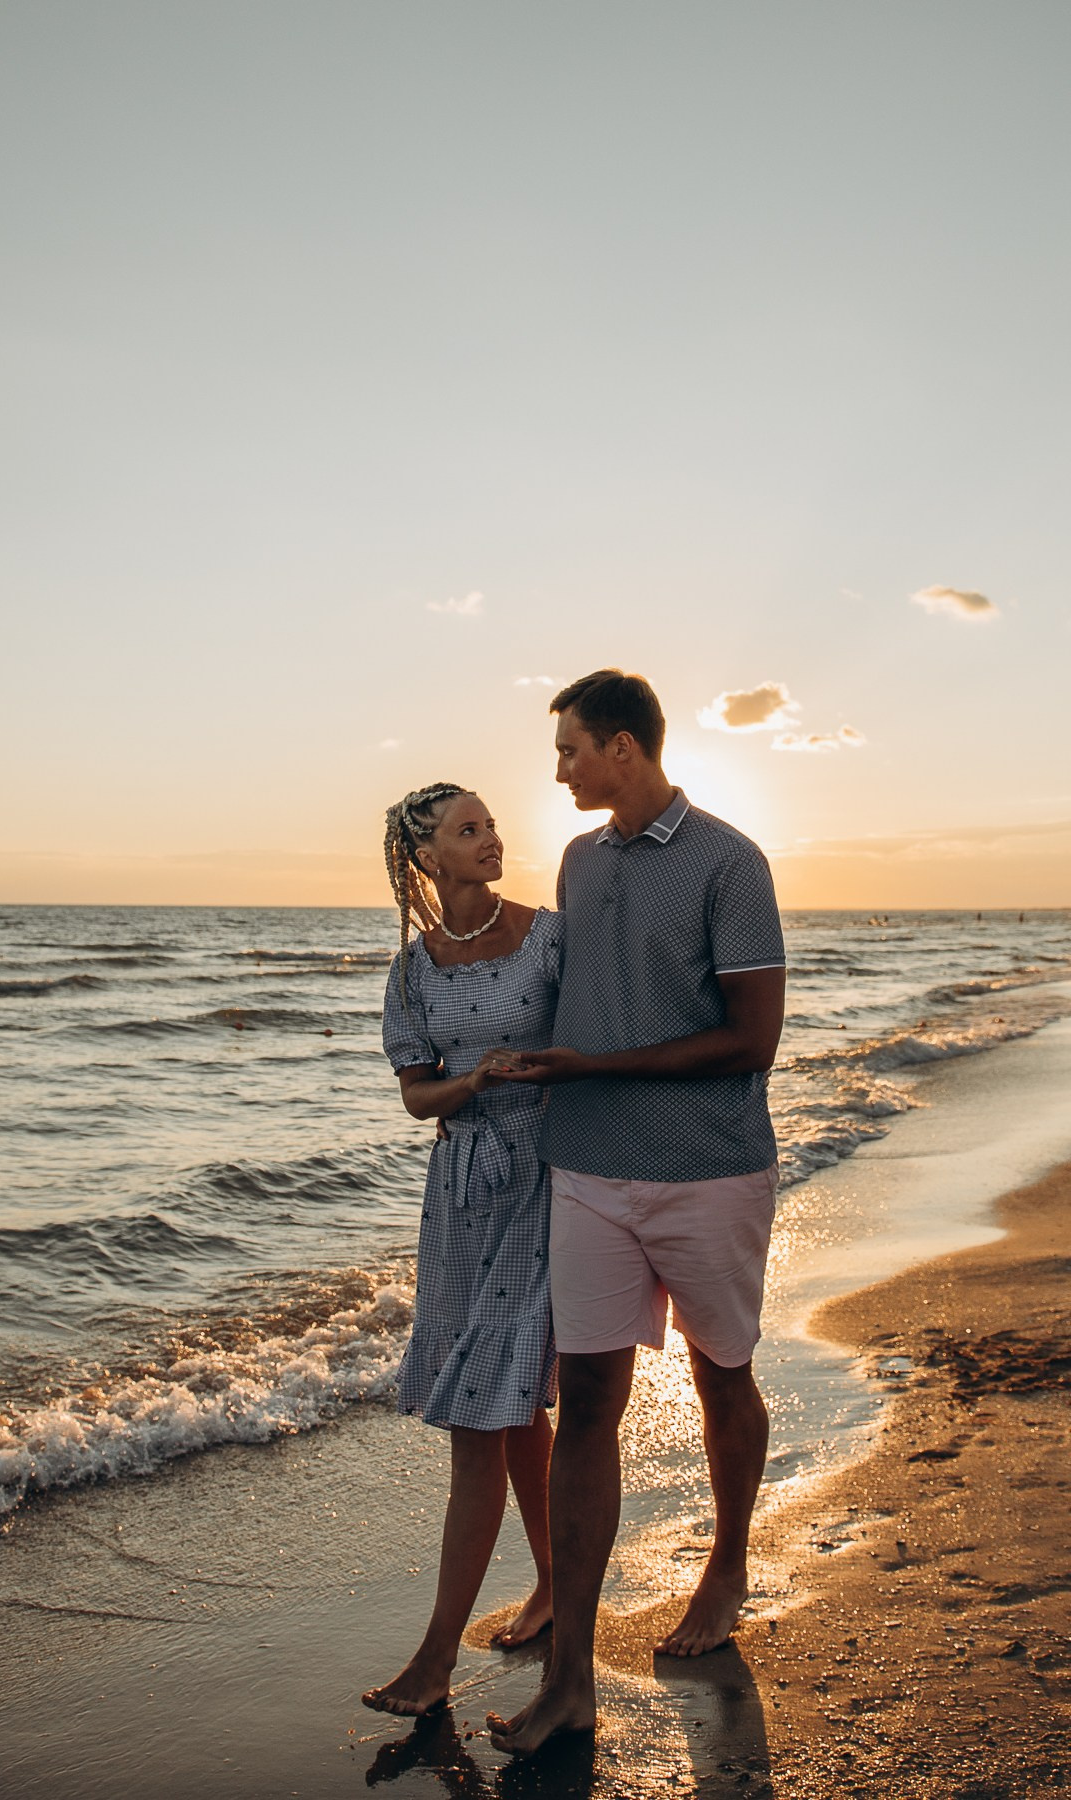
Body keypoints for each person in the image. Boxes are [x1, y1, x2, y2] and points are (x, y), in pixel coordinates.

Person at [488, 669, 786, 1757]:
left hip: (708, 1170)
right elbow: (579, 990)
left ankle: (728, 1564)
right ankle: (571, 1679)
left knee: (721, 1373)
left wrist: (597, 1065)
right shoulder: (578, 859)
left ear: (623, 746)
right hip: (586, 1168)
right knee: (586, 1403)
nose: (560, 770)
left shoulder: (729, 862)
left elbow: (752, 1040)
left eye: (570, 749)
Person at [363, 782, 564, 1718]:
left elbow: (599, 1041)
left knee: (487, 1415)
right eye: (468, 830)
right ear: (427, 858)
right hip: (459, 1195)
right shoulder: (412, 974)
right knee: (511, 1411)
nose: (491, 839)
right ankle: (553, 1585)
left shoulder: (550, 937)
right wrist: (472, 1083)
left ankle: (436, 1657)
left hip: (547, 1180)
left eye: (491, 825)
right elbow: (418, 1097)